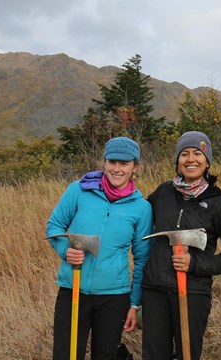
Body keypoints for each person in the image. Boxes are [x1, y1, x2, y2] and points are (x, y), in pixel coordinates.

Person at [141, 131, 221, 359]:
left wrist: (195, 263)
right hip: (154, 290)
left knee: (188, 354)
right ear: (177, 161)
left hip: (193, 292)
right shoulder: (163, 193)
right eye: (184, 154)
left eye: (197, 154)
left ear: (207, 161)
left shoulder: (219, 204)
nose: (191, 159)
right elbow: (138, 217)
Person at [46, 136, 152, 360]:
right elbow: (54, 226)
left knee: (105, 355)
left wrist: (134, 304)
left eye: (124, 163)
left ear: (135, 167)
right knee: (66, 355)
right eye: (112, 162)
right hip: (72, 289)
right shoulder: (78, 190)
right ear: (104, 162)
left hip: (114, 297)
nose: (117, 168)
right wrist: (66, 251)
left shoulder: (141, 207)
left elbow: (142, 258)